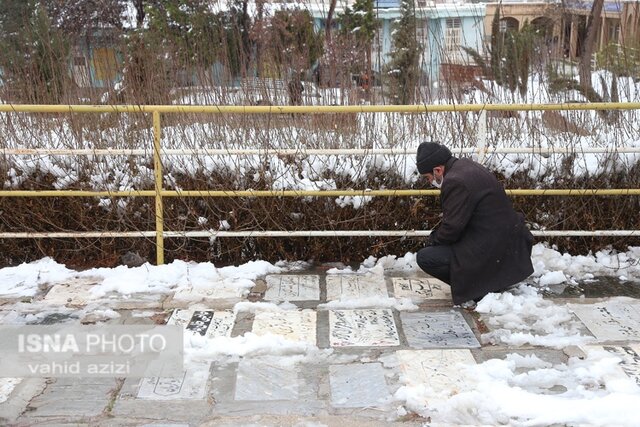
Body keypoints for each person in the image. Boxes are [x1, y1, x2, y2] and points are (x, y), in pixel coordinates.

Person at [415, 142, 534, 306]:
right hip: (509, 246)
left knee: (426, 258)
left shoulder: (455, 181)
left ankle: (480, 289)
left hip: (493, 249)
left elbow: (452, 228)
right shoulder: (466, 166)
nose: (430, 182)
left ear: (437, 170)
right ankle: (492, 280)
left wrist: (432, 241)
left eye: (429, 178)